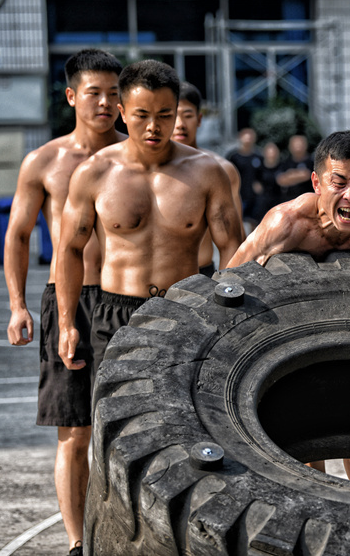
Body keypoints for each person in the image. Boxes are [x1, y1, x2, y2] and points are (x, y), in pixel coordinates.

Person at [228, 130, 350, 484]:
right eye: (339, 182)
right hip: (289, 345)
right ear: (317, 182)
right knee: (304, 460)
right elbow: (228, 283)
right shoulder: (287, 223)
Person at [56, 60, 243, 391]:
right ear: (122, 112)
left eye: (165, 115)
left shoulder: (206, 172)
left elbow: (232, 245)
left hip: (185, 310)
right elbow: (70, 248)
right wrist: (67, 322)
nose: (153, 126)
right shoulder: (94, 173)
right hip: (117, 313)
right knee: (118, 424)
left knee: (186, 421)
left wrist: (225, 311)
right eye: (142, 115)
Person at [4, 48, 124, 556]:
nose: (104, 103)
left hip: (126, 297)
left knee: (126, 432)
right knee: (74, 433)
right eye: (93, 93)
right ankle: (78, 544)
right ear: (72, 96)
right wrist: (18, 305)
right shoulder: (45, 161)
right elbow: (17, 235)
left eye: (114, 94)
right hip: (68, 299)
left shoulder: (136, 157)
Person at [172, 82, 244, 276]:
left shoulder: (221, 170)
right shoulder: (149, 169)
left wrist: (225, 290)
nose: (180, 124)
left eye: (187, 115)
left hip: (200, 275)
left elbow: (234, 242)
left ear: (199, 119)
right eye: (173, 116)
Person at [225, 127, 264, 228]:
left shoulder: (258, 156)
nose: (248, 139)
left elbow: (262, 174)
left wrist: (260, 184)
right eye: (246, 136)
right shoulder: (233, 156)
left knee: (254, 221)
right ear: (240, 138)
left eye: (251, 137)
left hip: (253, 195)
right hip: (238, 193)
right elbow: (227, 174)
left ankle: (254, 243)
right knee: (236, 220)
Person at [276, 134, 315, 201]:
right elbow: (280, 180)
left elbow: (307, 175)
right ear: (290, 146)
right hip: (289, 201)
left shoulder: (311, 162)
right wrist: (299, 174)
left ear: (305, 145)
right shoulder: (286, 162)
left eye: (299, 143)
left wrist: (289, 174)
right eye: (295, 143)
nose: (297, 146)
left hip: (307, 201)